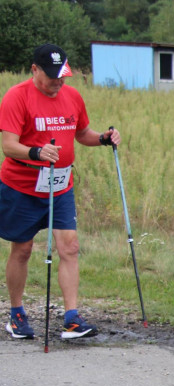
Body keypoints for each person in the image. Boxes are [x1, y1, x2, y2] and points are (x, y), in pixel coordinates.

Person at [1, 44, 121, 340]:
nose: (58, 82)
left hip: (60, 185)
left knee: (69, 247)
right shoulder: (16, 97)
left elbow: (81, 134)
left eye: (62, 75)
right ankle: (16, 314)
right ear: (34, 70)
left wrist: (104, 139)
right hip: (22, 184)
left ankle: (71, 318)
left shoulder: (72, 96)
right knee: (23, 249)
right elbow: (8, 144)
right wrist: (37, 152)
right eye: (52, 76)